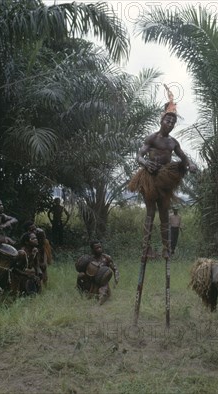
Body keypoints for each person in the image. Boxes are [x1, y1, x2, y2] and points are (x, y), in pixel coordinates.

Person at [128, 85, 197, 259]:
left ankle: (166, 248)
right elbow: (139, 155)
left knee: (164, 213)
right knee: (150, 212)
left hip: (164, 180)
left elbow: (183, 157)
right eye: (168, 120)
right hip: (150, 178)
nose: (170, 124)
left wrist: (190, 166)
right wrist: (145, 163)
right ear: (161, 120)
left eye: (173, 122)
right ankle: (146, 247)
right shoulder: (152, 138)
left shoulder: (173, 142)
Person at [75, 240, 119, 305]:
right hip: (92, 283)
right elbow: (83, 271)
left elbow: (115, 269)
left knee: (104, 279)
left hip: (103, 283)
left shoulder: (106, 258)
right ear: (92, 250)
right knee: (81, 275)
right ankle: (84, 294)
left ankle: (101, 300)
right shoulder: (89, 259)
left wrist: (116, 280)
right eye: (97, 248)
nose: (99, 249)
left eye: (100, 247)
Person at [22, 220, 52, 285]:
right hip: (31, 254)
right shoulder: (26, 238)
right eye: (32, 230)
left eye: (35, 229)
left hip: (41, 250)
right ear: (27, 231)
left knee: (43, 267)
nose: (34, 231)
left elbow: (43, 249)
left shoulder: (40, 233)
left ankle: (45, 282)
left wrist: (44, 261)